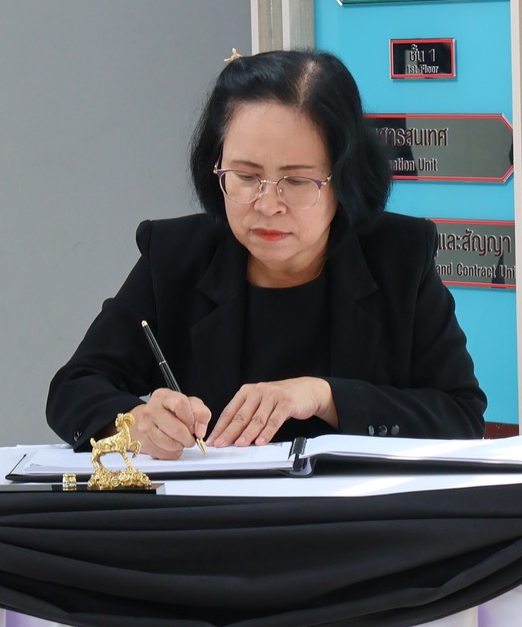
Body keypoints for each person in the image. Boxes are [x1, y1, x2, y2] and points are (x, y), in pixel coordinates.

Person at [45, 49, 487, 457]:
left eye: (296, 181)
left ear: (345, 179)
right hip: (212, 513)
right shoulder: (175, 257)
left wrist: (325, 396)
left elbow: (460, 417)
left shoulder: (399, 258)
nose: (268, 204)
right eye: (245, 176)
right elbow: (73, 388)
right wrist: (134, 422)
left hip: (353, 514)